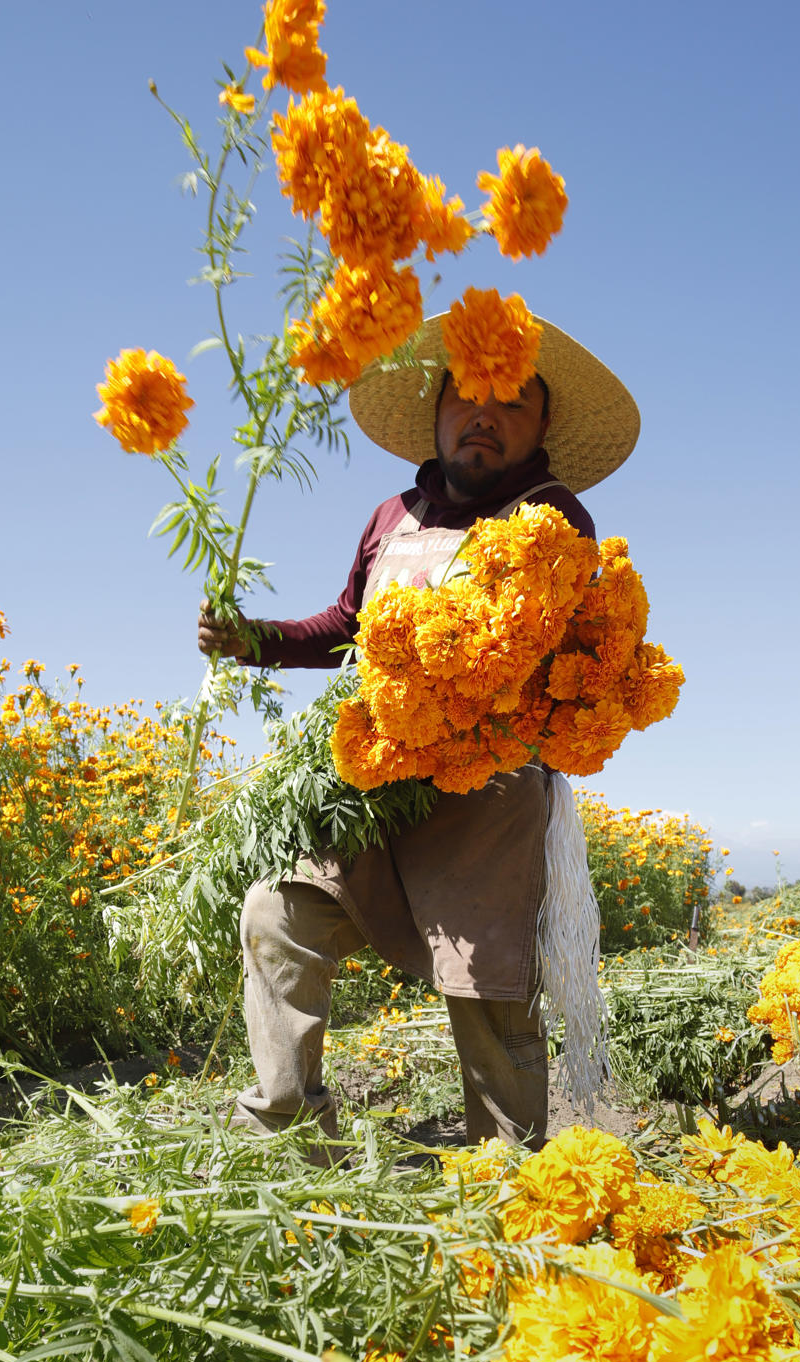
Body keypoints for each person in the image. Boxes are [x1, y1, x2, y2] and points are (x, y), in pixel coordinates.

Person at [197, 311, 640, 1149]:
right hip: (368, 785)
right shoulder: (389, 515)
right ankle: (286, 1139)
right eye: (467, 393)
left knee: (488, 991)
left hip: (488, 799)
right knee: (279, 915)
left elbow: (573, 669)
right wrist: (254, 640)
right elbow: (346, 625)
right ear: (436, 407)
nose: (484, 412)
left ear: (542, 427)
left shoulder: (556, 521)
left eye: (511, 401)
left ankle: (511, 1180)